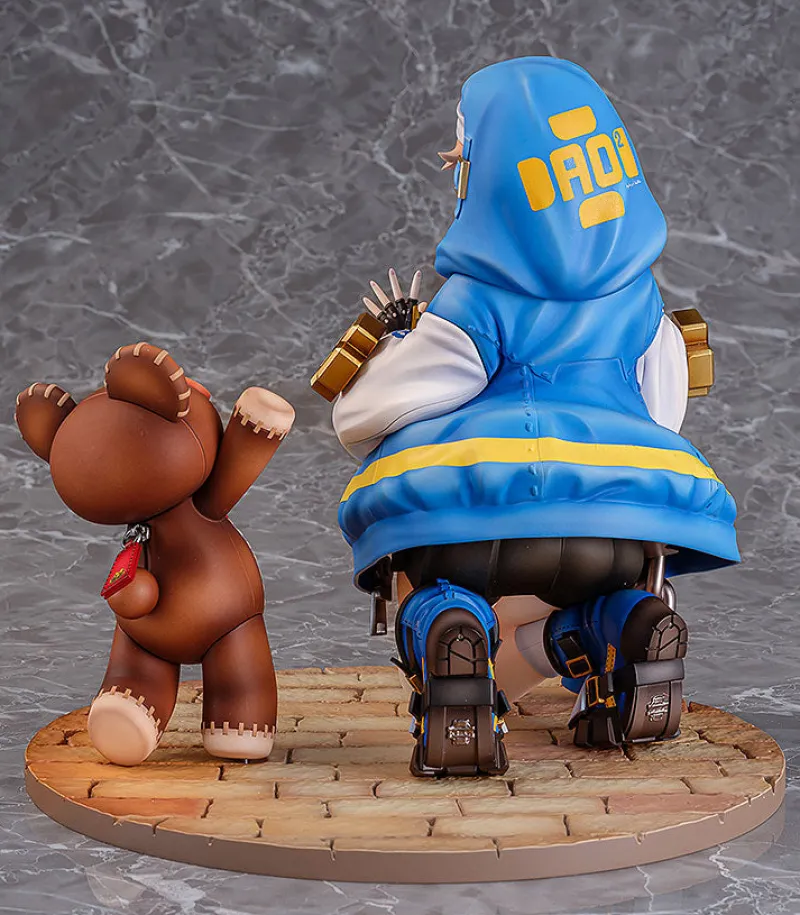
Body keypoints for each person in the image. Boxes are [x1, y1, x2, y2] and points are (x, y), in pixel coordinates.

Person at [328, 57, 739, 777]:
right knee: (614, 588)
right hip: (616, 532)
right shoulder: (643, 303)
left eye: (463, 156)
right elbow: (661, 419)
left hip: (480, 530)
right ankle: (631, 626)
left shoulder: (475, 302)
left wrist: (394, 343)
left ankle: (449, 640)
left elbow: (362, 416)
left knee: (421, 569)